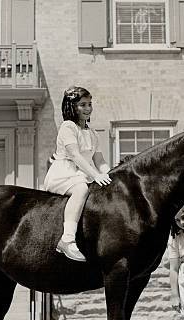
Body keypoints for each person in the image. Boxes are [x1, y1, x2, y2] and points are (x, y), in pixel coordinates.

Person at [44, 86, 112, 262]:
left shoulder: (93, 133)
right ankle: (67, 239)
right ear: (72, 107)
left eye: (89, 104)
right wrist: (96, 176)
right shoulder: (68, 127)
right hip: (64, 173)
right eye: (82, 104)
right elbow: (75, 155)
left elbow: (100, 161)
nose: (88, 108)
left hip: (83, 173)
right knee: (81, 190)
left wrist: (111, 176)